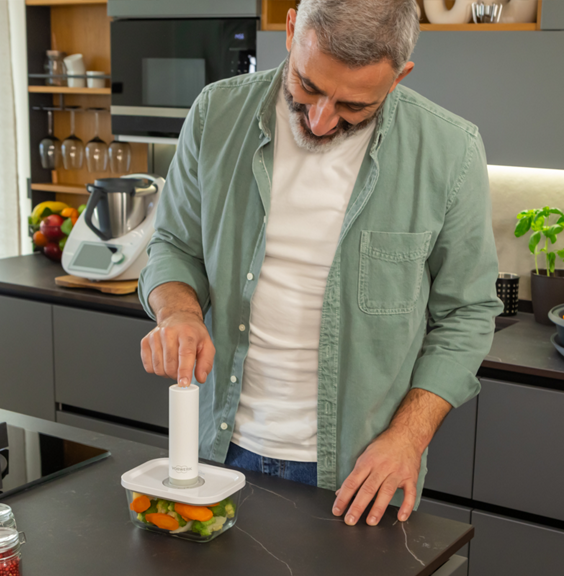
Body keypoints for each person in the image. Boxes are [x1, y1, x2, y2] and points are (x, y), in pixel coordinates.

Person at [138, 0, 502, 528]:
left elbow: (466, 315)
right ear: (290, 30)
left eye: (353, 106)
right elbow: (173, 243)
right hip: (216, 449)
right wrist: (179, 312)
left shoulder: (450, 152)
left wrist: (408, 437)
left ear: (400, 76)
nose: (320, 118)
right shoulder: (217, 113)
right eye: (307, 86)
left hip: (359, 473)